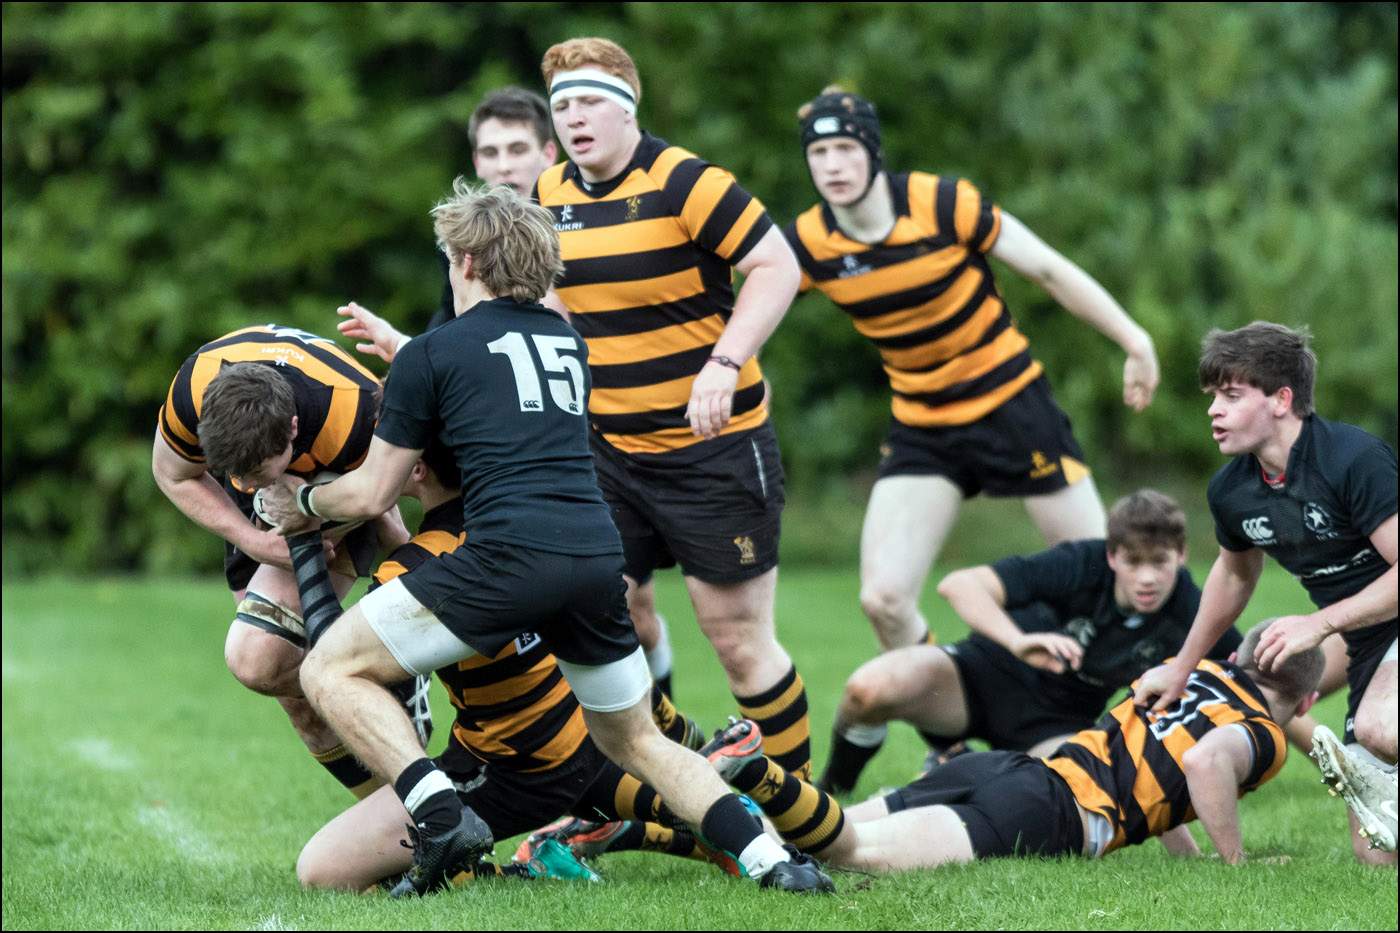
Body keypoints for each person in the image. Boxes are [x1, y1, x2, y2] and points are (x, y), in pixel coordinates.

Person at [258, 181, 831, 895]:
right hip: (594, 554)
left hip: (507, 556)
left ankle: (441, 816)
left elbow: (373, 492)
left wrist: (302, 501)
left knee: (327, 669)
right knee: (638, 739)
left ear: (467, 261)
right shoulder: (565, 341)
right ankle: (775, 862)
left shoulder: (432, 352)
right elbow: (492, 390)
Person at [782, 87, 1160, 657]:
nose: (833, 166)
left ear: (873, 151)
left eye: (846, 149)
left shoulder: (941, 204)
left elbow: (1048, 270)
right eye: (819, 153)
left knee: (1113, 582)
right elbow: (740, 310)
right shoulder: (808, 243)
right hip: (924, 425)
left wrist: (1134, 339)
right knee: (883, 599)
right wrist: (726, 367)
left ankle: (1177, 693)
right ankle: (944, 714)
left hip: (1013, 405)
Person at [532, 36, 816, 780]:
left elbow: (777, 265)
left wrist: (724, 362)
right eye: (562, 106)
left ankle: (798, 808)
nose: (574, 117)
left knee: (736, 638)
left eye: (589, 101)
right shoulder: (548, 193)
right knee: (602, 618)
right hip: (608, 452)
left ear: (628, 108)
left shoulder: (685, 180)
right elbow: (551, 303)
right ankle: (672, 780)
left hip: (711, 448)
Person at [294, 443, 727, 891]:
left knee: (325, 870)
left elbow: (334, 654)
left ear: (418, 468)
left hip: (511, 769)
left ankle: (528, 870)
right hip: (587, 727)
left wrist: (302, 536)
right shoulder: (523, 521)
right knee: (715, 812)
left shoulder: (419, 565)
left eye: (391, 446)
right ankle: (733, 815)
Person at [703, 620, 1323, 870]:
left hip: (1007, 767)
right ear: (1305, 702)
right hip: (1048, 813)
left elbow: (1158, 764)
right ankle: (759, 775)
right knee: (849, 852)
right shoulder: (1265, 735)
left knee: (828, 829)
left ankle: (713, 817)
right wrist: (1235, 863)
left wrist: (1188, 857)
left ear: (1238, 658)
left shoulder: (1192, 672)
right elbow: (1203, 762)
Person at [1135, 322, 1397, 863]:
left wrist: (1319, 624)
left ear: (1282, 400)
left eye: (1231, 396)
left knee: (1381, 726)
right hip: (1369, 641)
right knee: (1377, 856)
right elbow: (1234, 575)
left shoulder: (1352, 459)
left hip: (1376, 629)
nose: (1214, 410)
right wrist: (1182, 669)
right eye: (1213, 397)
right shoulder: (1233, 491)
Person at [818, 489, 1243, 795]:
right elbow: (960, 585)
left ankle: (954, 772)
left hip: (1054, 727)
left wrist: (1290, 735)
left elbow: (1244, 678)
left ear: (1181, 556)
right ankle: (834, 788)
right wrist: (1018, 641)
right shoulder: (1080, 563)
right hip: (976, 680)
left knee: (1054, 790)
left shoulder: (1191, 608)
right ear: (1112, 555)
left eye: (1159, 562)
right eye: (1133, 561)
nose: (1147, 577)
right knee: (869, 688)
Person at [150, 325, 415, 798]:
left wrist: (332, 508)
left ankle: (390, 671)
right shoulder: (194, 388)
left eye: (254, 473)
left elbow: (414, 486)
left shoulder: (355, 413)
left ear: (293, 429)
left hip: (343, 486)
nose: (244, 485)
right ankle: (400, 816)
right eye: (231, 473)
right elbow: (171, 473)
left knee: (258, 657)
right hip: (281, 493)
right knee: (291, 691)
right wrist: (251, 540)